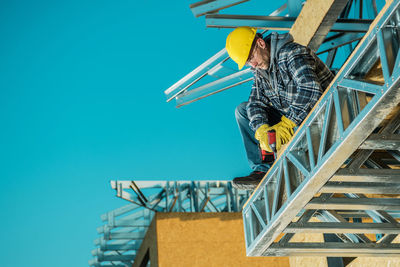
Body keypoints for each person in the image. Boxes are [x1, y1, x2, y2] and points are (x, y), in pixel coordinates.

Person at [226, 27, 334, 190]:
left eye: (251, 57)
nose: (252, 64)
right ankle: (263, 171)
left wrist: (287, 124)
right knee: (242, 111)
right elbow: (255, 103)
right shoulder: (260, 71)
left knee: (298, 105)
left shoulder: (292, 54)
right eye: (248, 62)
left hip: (324, 114)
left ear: (261, 43)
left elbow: (310, 90)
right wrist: (261, 129)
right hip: (297, 119)